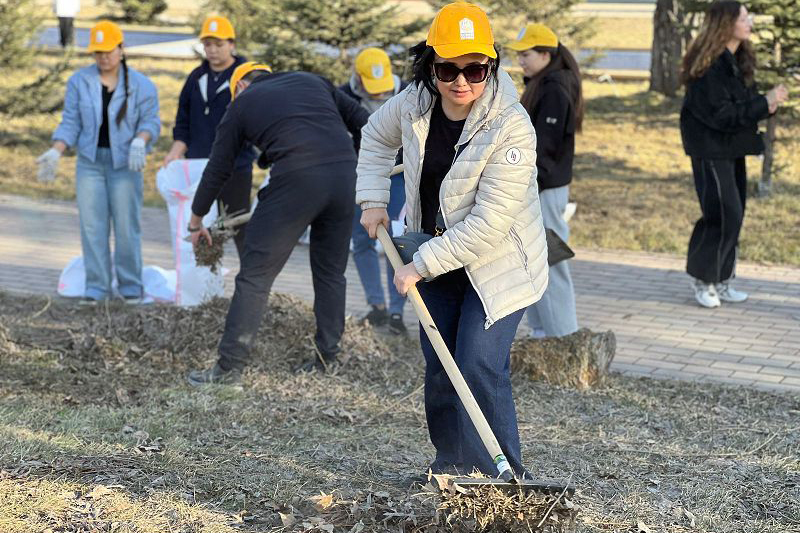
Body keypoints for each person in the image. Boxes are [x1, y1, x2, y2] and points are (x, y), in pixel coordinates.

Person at [357, 2, 548, 478]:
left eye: (475, 70)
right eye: (447, 69)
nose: (461, 81)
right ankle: (451, 466)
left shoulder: (511, 125)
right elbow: (375, 137)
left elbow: (489, 223)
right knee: (441, 364)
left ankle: (503, 478)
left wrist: (419, 266)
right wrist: (373, 199)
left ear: (491, 65)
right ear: (430, 66)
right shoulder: (414, 102)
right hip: (433, 249)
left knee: (478, 362)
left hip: (498, 262)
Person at [186, 69, 370, 386]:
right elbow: (366, 121)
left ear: (240, 85)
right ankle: (327, 357)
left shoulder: (242, 103)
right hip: (345, 177)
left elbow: (219, 168)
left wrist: (196, 219)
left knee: (255, 276)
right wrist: (354, 160)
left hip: (296, 181)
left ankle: (229, 368)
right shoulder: (312, 80)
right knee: (330, 273)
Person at [36, 20, 160, 305]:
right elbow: (71, 121)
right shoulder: (80, 81)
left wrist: (140, 140)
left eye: (109, 50)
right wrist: (56, 150)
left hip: (125, 165)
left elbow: (151, 121)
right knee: (92, 226)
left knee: (127, 227)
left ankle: (130, 285)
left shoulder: (141, 85)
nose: (103, 57)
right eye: (98, 52)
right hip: (90, 164)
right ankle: (96, 287)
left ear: (121, 49)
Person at [680, 0, 788, 308]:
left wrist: (767, 104)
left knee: (734, 213)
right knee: (723, 213)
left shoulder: (735, 59)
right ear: (726, 23)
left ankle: (722, 279)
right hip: (710, 148)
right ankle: (703, 280)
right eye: (743, 18)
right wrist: (764, 102)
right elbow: (721, 114)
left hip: (730, 148)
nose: (749, 22)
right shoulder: (709, 65)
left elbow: (739, 106)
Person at [507, 23, 581, 338]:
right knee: (530, 259)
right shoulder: (542, 83)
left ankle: (562, 335)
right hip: (537, 185)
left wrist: (527, 183)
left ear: (545, 54)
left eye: (526, 54)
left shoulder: (554, 88)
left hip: (545, 188)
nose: (521, 61)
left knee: (549, 260)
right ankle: (541, 330)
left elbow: (545, 146)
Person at [163, 15, 256, 260]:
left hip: (235, 166)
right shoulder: (196, 78)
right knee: (202, 223)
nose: (212, 50)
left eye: (219, 44)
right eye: (207, 45)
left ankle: (252, 275)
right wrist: (176, 150)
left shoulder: (245, 77)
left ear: (232, 44)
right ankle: (206, 274)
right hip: (200, 166)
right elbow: (183, 120)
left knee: (238, 224)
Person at [340, 47, 409, 334]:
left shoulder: (407, 92)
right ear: (358, 77)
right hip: (362, 176)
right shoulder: (343, 95)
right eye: (373, 88)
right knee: (362, 239)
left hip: (400, 175)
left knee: (397, 240)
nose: (380, 93)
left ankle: (396, 311)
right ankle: (377, 305)